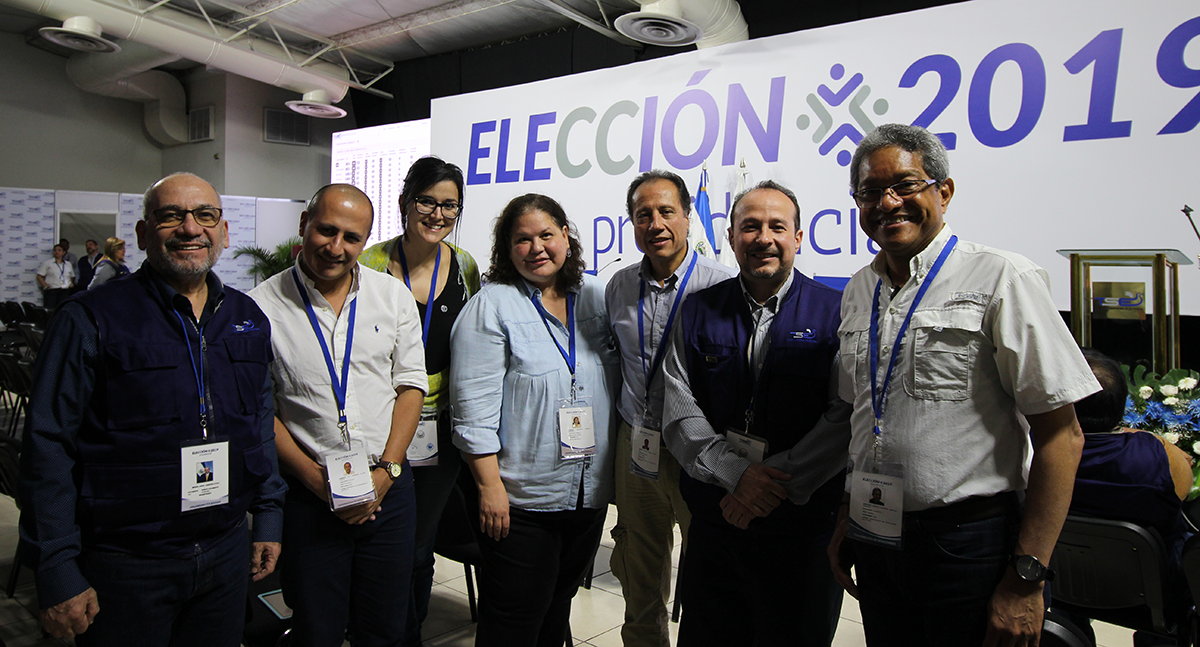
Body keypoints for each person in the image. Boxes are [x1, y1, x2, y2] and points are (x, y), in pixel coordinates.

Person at [828, 123, 1101, 647]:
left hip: (968, 543)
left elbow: (1061, 438)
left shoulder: (1002, 277)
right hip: (877, 533)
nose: (887, 203)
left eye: (904, 186)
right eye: (869, 192)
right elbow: (864, 419)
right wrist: (847, 514)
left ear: (944, 191)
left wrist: (1027, 577)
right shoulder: (859, 289)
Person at [18, 171, 286, 645]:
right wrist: (57, 566)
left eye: (205, 215)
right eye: (170, 216)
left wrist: (267, 516)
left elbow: (259, 423)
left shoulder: (247, 318)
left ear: (223, 232)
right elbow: (46, 445)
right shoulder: (90, 319)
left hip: (225, 554)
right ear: (142, 234)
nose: (190, 228)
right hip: (126, 563)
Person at [659, 180, 850, 646]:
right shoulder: (698, 310)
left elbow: (844, 415)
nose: (763, 237)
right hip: (716, 519)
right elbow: (679, 405)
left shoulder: (837, 311)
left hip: (801, 528)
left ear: (799, 238)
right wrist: (735, 474)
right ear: (731, 237)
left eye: (776, 227)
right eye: (750, 227)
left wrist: (768, 484)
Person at [250, 184, 427, 646]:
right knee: (317, 630)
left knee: (387, 628)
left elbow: (411, 386)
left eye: (351, 237)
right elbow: (260, 410)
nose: (336, 247)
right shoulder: (260, 307)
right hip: (310, 495)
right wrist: (313, 479)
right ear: (303, 226)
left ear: (365, 241)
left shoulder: (392, 296)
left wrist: (388, 469)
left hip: (387, 488)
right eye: (326, 230)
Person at [450, 193, 620, 647]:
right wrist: (489, 488)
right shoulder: (493, 306)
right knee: (514, 621)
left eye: (546, 234)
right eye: (522, 239)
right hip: (520, 500)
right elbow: (472, 410)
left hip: (587, 493)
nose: (536, 247)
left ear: (566, 235)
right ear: (507, 249)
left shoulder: (597, 296)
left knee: (555, 610)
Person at [604, 169, 735, 646]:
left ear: (687, 218)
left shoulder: (721, 285)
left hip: (698, 450)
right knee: (638, 568)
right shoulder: (617, 286)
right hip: (635, 445)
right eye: (643, 215)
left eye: (665, 212)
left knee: (707, 570)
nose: (655, 223)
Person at [358, 156, 480, 647]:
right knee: (380, 538)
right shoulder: (369, 262)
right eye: (427, 200)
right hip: (381, 422)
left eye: (449, 204)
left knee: (417, 544)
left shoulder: (465, 264)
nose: (437, 213)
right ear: (406, 202)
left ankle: (407, 632)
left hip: (442, 429)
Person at [1058, 348, 1193, 645]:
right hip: (1157, 599)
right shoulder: (1155, 455)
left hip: (1065, 591)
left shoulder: (1035, 458)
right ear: (1121, 403)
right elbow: (1183, 488)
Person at [36, 243, 75, 309]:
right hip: (52, 290)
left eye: (59, 250)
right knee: (50, 310)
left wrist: (70, 283)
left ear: (64, 252)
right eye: (55, 250)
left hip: (64, 290)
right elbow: (39, 276)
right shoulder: (48, 263)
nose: (57, 252)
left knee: (62, 309)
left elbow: (72, 276)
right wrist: (45, 286)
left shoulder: (68, 264)